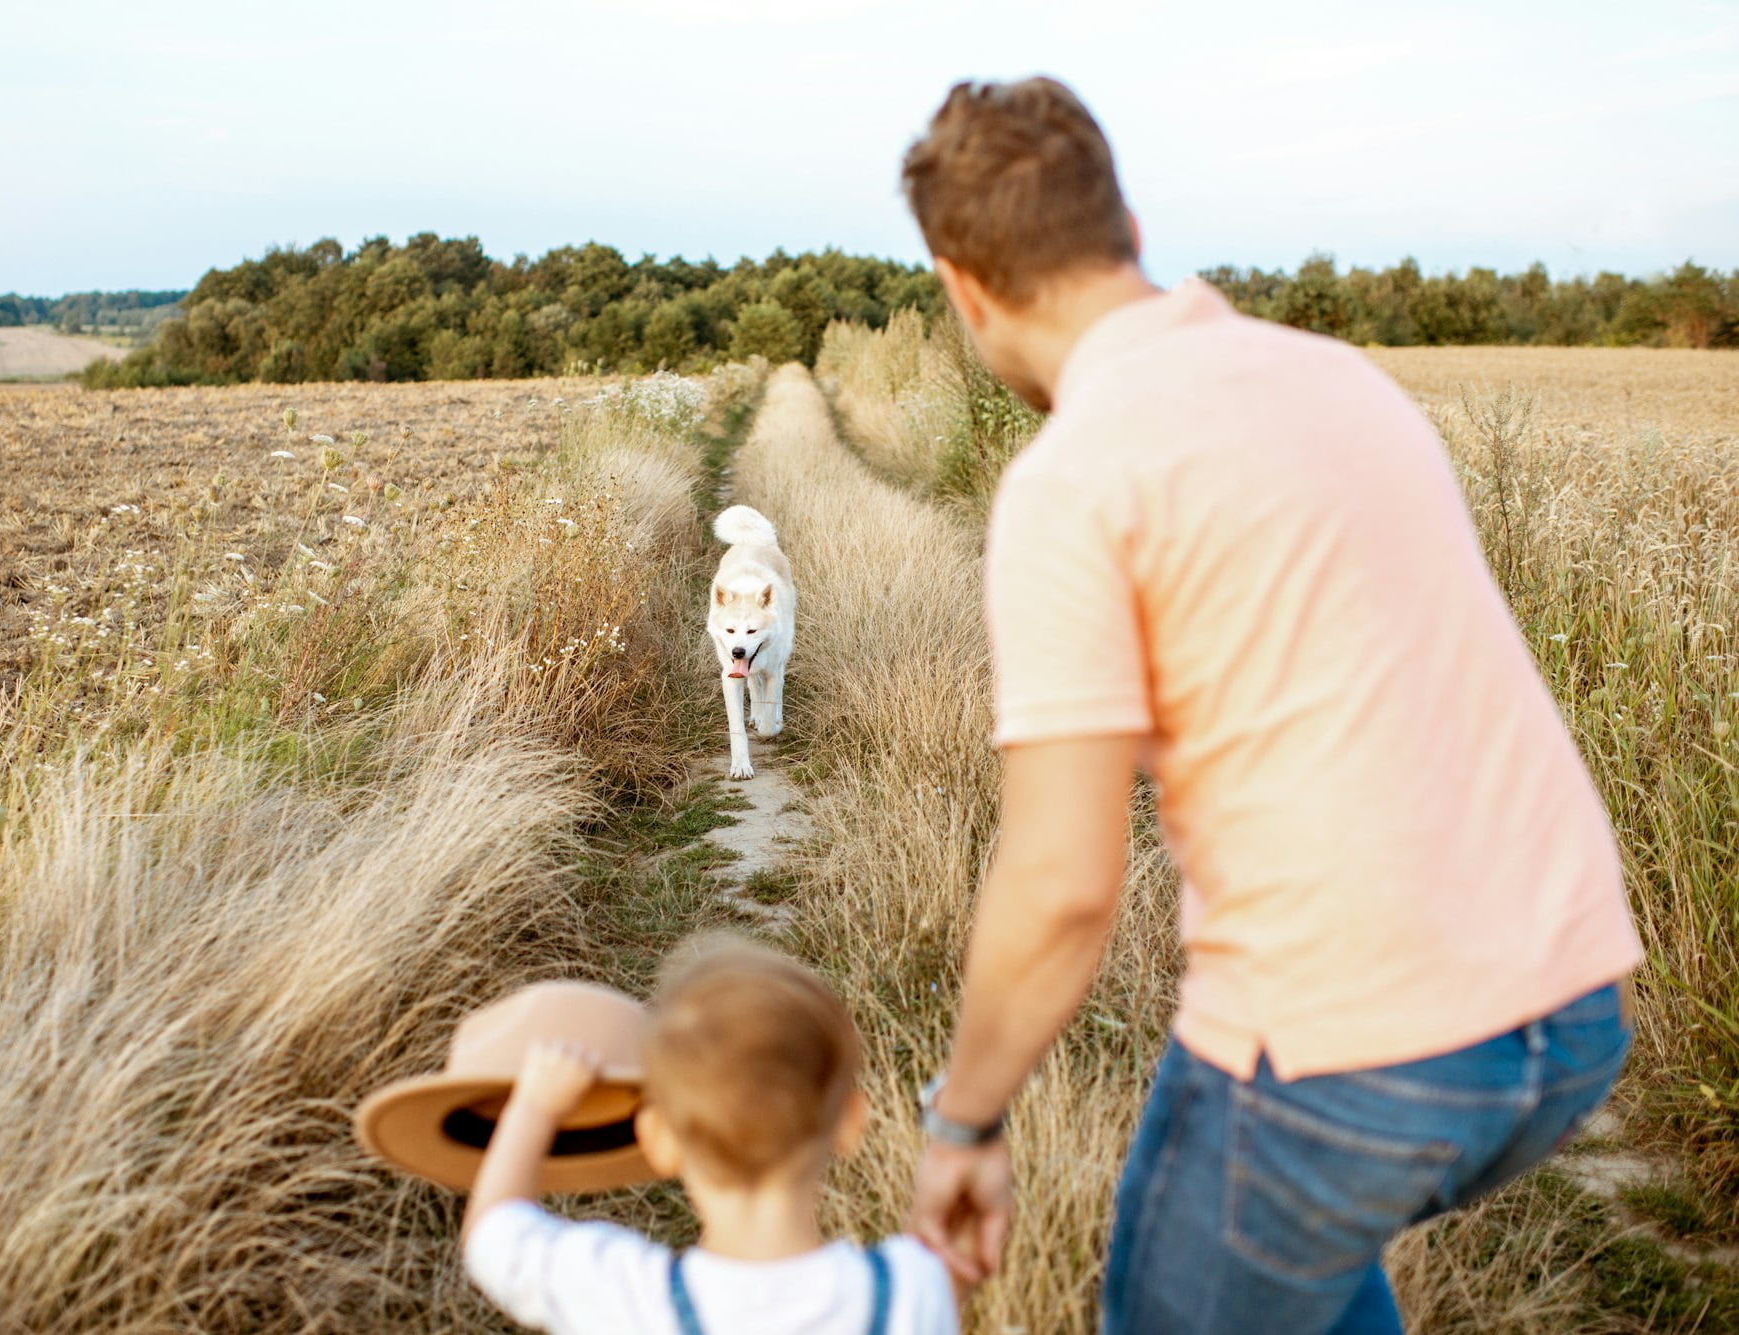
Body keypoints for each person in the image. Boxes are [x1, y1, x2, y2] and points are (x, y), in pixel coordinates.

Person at [896, 78, 1643, 1333]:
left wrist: (961, 1119)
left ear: (964, 288)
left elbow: (1062, 883)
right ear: (1126, 232)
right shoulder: (1334, 377)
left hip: (1345, 1060)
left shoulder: (1073, 479)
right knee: (1305, 1256)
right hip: (1568, 1018)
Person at [464, 936, 960, 1334]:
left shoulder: (626, 1297)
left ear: (658, 1140)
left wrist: (534, 1107)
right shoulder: (913, 1291)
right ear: (852, 1123)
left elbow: (493, 1233)